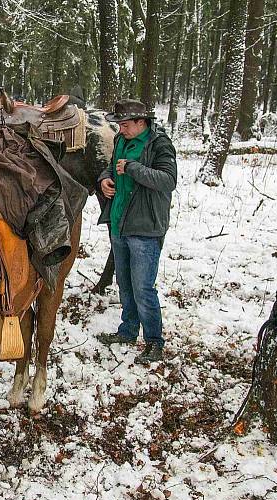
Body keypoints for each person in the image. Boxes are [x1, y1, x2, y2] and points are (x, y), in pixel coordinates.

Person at [95, 99, 177, 364]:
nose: (121, 128)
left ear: (142, 122)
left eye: (126, 124)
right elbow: (112, 166)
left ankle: (154, 342)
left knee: (143, 287)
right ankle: (127, 331)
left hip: (145, 228)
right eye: (119, 124)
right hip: (119, 223)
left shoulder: (159, 144)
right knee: (125, 283)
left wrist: (133, 168)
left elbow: (168, 180)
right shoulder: (121, 141)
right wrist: (105, 180)